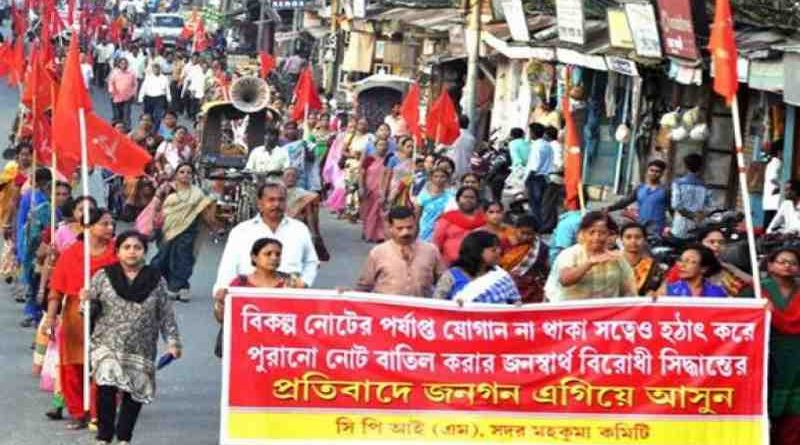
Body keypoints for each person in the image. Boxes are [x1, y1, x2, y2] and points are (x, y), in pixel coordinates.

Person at [86, 231, 181, 445]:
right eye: (126, 247)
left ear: (144, 253)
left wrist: (173, 342)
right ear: (117, 251)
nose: (132, 252)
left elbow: (165, 313)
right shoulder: (103, 276)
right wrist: (86, 301)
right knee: (106, 388)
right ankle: (103, 437)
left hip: (141, 346)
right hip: (107, 343)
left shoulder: (156, 280)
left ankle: (124, 437)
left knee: (134, 393)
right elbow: (88, 311)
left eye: (137, 248)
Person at [42, 208, 117, 430]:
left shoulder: (117, 253)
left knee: (104, 366)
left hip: (108, 317)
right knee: (73, 367)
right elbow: (56, 290)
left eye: (111, 224)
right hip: (75, 317)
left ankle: (99, 413)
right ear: (89, 226)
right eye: (105, 224)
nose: (110, 228)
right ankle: (78, 412)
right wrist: (50, 319)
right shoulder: (72, 254)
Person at [737, 248, 800, 445]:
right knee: (764, 406)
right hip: (766, 354)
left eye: (792, 262)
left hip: (797, 357)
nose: (787, 266)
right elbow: (737, 318)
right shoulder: (755, 290)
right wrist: (757, 310)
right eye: (781, 262)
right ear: (770, 265)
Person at [213, 182, 319, 296]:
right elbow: (228, 265)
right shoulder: (241, 231)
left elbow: (311, 261)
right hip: (249, 295)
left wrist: (304, 283)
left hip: (289, 294)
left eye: (281, 200)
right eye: (271, 200)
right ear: (260, 203)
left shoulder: (299, 229)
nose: (276, 204)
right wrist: (222, 289)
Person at [150, 163, 217, 302]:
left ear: (193, 176)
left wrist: (213, 226)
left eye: (188, 172)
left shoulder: (197, 193)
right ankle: (162, 285)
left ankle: (179, 287)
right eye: (182, 172)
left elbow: (203, 211)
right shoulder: (166, 188)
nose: (185, 175)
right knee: (163, 257)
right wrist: (153, 222)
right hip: (166, 229)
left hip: (188, 230)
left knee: (183, 259)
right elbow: (155, 206)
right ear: (176, 174)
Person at [545, 212, 636, 302]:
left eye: (602, 233)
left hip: (607, 313)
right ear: (583, 234)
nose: (596, 237)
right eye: (591, 232)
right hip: (574, 313)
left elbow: (629, 290)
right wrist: (589, 263)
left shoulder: (617, 258)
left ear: (609, 234)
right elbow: (564, 280)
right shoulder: (570, 254)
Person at [356, 206, 445, 298]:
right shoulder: (378, 252)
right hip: (387, 309)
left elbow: (443, 282)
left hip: (421, 310)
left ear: (416, 225)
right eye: (400, 228)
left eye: (410, 227)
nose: (405, 232)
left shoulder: (431, 251)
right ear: (390, 228)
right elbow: (364, 286)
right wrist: (346, 296)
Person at [434, 231, 521, 304]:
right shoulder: (451, 276)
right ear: (476, 252)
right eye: (493, 250)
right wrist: (456, 306)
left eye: (499, 248)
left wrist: (517, 305)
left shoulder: (501, 276)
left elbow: (514, 302)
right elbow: (438, 305)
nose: (499, 252)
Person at [663, 227, 752, 296]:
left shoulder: (727, 269)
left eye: (721, 243)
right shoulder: (680, 269)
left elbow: (750, 283)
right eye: (711, 242)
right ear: (700, 243)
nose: (716, 245)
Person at [605, 160, 670, 236]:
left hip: (657, 228)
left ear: (662, 174)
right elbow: (625, 202)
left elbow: (673, 209)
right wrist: (609, 208)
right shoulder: (640, 188)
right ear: (647, 171)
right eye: (651, 170)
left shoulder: (666, 191)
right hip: (640, 226)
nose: (654, 173)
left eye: (657, 171)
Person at [499, 215, 549, 303]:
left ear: (535, 234)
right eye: (522, 233)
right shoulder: (504, 244)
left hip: (532, 291)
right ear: (515, 230)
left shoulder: (540, 248)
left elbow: (545, 270)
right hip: (508, 288)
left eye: (529, 234)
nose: (525, 237)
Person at [283, 167, 328, 261]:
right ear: (282, 178)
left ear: (297, 179)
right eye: (288, 175)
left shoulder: (304, 195)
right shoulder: (277, 193)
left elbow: (309, 214)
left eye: (293, 176)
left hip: (297, 227)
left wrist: (314, 233)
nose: (290, 178)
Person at [433, 186, 486, 265]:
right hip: (449, 264)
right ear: (458, 200)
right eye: (465, 197)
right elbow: (437, 241)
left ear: (477, 201)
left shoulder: (484, 220)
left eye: (472, 197)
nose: (468, 200)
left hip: (477, 265)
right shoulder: (448, 217)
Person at [671, 153, 713, 239]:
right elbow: (709, 206)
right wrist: (699, 215)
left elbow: (675, 205)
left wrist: (691, 215)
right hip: (698, 223)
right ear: (700, 167)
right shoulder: (705, 185)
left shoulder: (678, 183)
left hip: (680, 223)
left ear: (685, 166)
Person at [659, 245, 726, 297]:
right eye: (681, 260)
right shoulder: (667, 291)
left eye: (690, 261)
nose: (682, 265)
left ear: (703, 269)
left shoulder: (717, 293)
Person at [620, 222, 664, 296]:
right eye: (628, 237)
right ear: (621, 240)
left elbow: (661, 289)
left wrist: (657, 293)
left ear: (645, 240)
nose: (633, 241)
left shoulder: (654, 267)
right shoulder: (612, 263)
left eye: (638, 237)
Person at [526, 123, 553, 230]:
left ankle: (537, 226)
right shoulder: (547, 145)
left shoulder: (537, 145)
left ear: (533, 133)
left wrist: (528, 178)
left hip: (535, 177)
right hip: (544, 177)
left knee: (535, 204)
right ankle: (541, 225)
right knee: (541, 204)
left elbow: (535, 164)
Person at [415, 167, 454, 242]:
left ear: (447, 178)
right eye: (436, 176)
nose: (439, 179)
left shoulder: (451, 196)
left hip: (443, 231)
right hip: (423, 231)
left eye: (442, 176)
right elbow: (417, 216)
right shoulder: (423, 196)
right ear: (431, 178)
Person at [540, 125, 564, 234]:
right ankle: (550, 224)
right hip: (551, 177)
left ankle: (548, 225)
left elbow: (559, 164)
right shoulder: (552, 145)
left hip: (554, 177)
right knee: (550, 203)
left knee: (547, 203)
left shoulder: (554, 146)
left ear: (547, 135)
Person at [138, 62, 171, 130]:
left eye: (157, 69)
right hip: (149, 98)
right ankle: (147, 129)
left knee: (158, 116)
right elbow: (143, 88)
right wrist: (140, 98)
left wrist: (169, 99)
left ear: (160, 69)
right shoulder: (148, 77)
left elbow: (167, 90)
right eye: (154, 69)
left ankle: (155, 130)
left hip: (160, 98)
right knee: (148, 115)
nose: (156, 70)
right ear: (152, 70)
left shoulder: (164, 78)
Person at [385, 136, 415, 208]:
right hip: (392, 189)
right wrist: (385, 191)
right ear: (403, 147)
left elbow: (411, 178)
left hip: (407, 191)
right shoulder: (393, 159)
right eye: (408, 146)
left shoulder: (415, 161)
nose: (411, 149)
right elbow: (388, 176)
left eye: (412, 147)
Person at [107, 58, 138, 128]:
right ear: (119, 64)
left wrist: (134, 93)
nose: (123, 65)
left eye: (125, 63)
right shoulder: (114, 72)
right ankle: (116, 130)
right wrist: (111, 91)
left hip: (127, 97)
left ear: (127, 64)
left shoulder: (131, 73)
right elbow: (110, 82)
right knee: (117, 115)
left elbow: (135, 84)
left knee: (126, 115)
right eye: (122, 63)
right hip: (116, 97)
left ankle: (127, 130)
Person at [446, 115, 476, 180]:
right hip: (465, 169)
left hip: (451, 168)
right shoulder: (471, 139)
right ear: (468, 125)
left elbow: (441, 148)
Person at [763, 146, 784, 228]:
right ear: (779, 152)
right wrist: (783, 186)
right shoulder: (776, 163)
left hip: (771, 199)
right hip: (774, 198)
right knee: (771, 223)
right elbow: (773, 178)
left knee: (769, 222)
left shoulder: (772, 163)